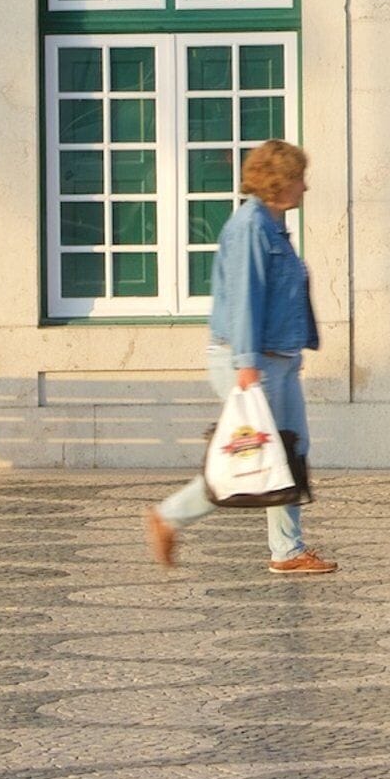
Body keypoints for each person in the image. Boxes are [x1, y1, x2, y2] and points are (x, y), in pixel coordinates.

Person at [146, 138, 331, 576]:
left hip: (276, 359)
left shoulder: (272, 224)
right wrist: (247, 364)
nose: (305, 187)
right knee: (252, 455)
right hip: (250, 360)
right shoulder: (251, 227)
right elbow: (246, 298)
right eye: (299, 178)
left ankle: (287, 550)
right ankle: (170, 516)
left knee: (288, 452)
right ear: (279, 182)